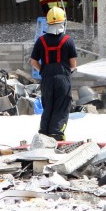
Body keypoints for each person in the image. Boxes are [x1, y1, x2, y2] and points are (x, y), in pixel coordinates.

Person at [29, 7, 78, 141]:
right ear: (63, 22)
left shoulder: (41, 41)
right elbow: (73, 65)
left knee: (48, 105)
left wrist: (43, 70)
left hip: (47, 79)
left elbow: (33, 61)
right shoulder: (68, 41)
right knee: (61, 106)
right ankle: (56, 134)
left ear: (48, 22)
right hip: (63, 79)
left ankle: (44, 133)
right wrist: (69, 70)